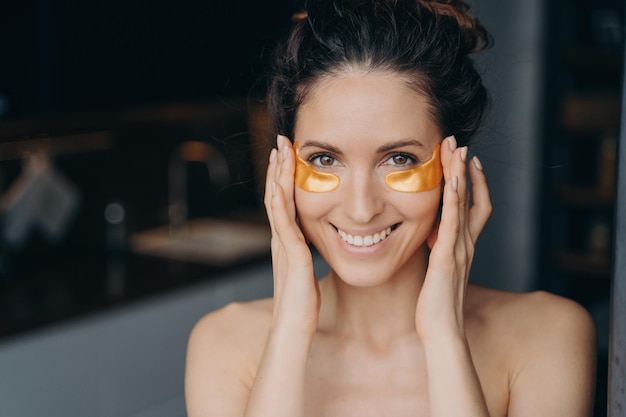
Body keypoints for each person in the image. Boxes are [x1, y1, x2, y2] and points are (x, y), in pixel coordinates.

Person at [185, 0, 597, 416]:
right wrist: (290, 329)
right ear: (284, 167)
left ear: (452, 165)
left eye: (399, 158)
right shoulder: (225, 342)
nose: (362, 209)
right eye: (325, 159)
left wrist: (444, 336)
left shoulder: (548, 334)